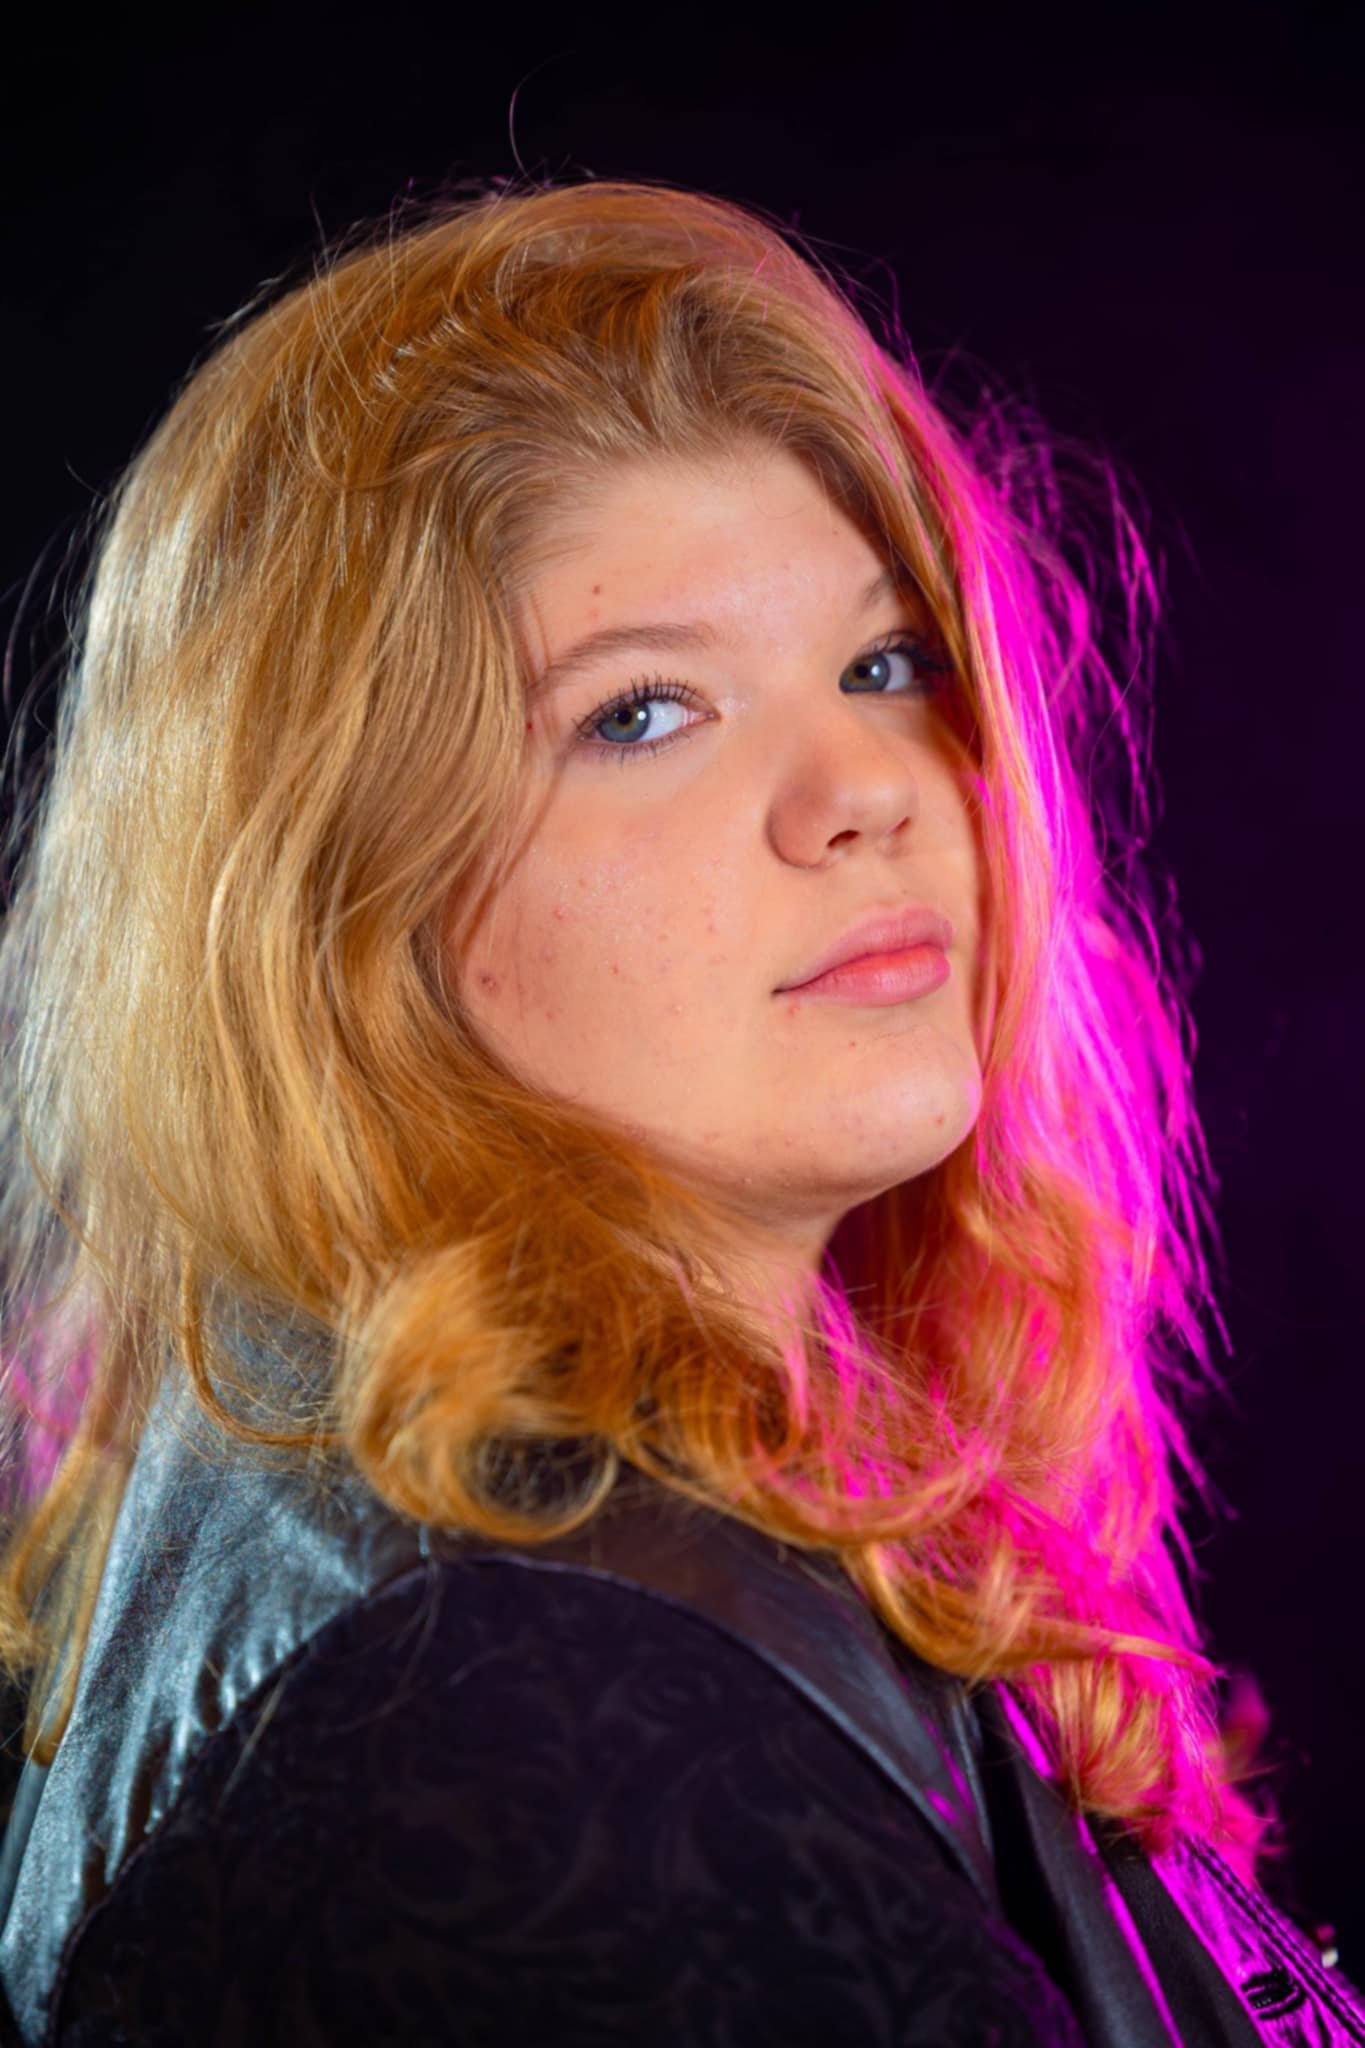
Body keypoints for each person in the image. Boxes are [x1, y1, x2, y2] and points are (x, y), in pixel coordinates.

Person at [0, 174, 1357, 2045]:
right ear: (346, 901)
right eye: (640, 712)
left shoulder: (685, 1524)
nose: (864, 788)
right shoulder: (519, 1725)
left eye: (884, 663)